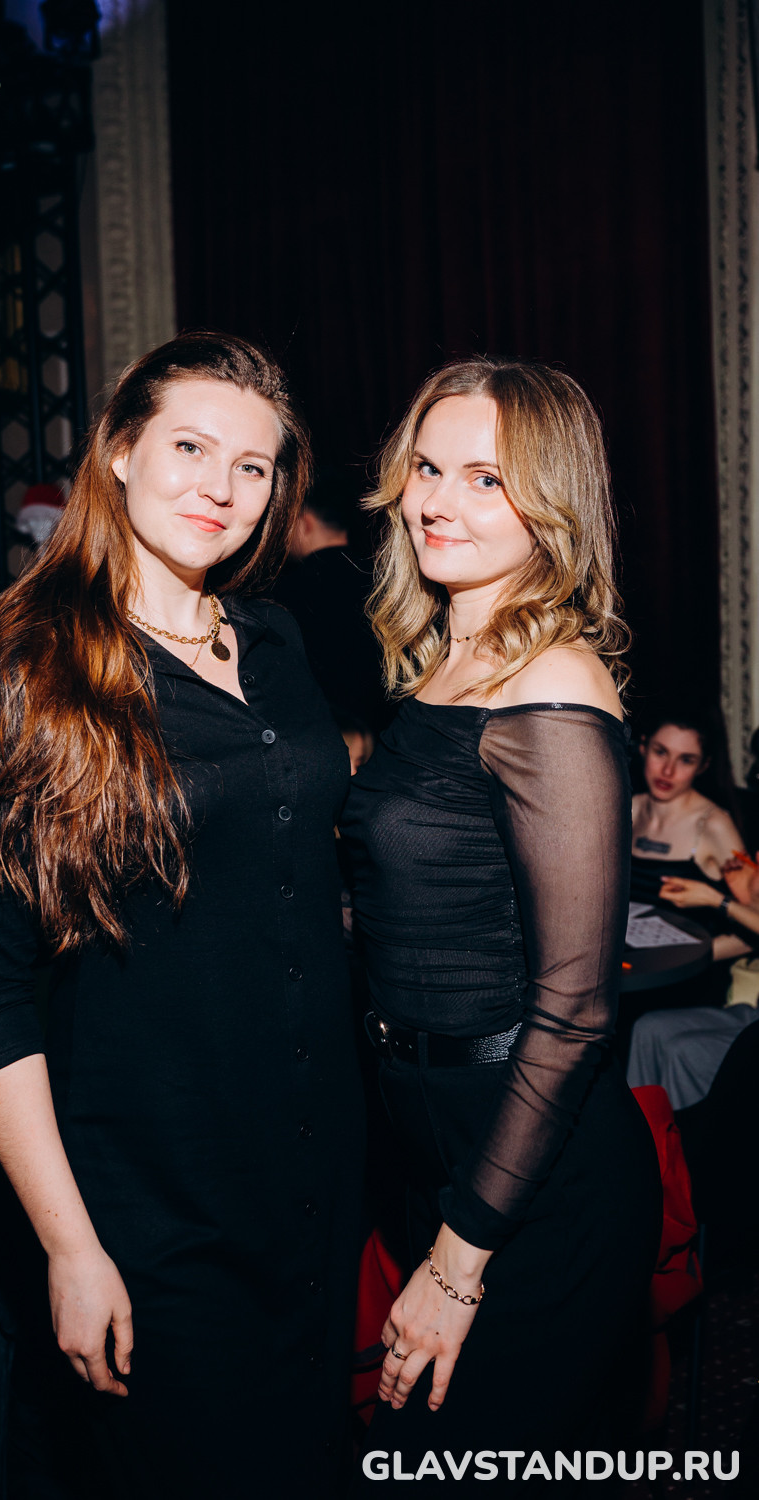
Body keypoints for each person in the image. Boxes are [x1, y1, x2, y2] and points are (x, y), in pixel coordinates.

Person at [0, 332, 364, 1500]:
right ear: (119, 451)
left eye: (253, 466)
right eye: (190, 448)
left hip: (310, 1166)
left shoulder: (271, 638)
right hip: (149, 1194)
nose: (221, 487)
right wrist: (69, 1247)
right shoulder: (30, 669)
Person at [340, 357, 661, 1490]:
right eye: (427, 469)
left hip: (535, 1182)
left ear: (550, 504)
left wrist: (458, 1262)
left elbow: (574, 1011)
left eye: (485, 478)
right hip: (440, 1138)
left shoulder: (553, 687)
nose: (437, 501)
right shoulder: (450, 663)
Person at [627, 854, 759, 1108]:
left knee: (686, 1051)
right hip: (753, 1013)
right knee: (649, 1028)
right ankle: (640, 1127)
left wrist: (717, 900)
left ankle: (686, 1133)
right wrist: (747, 893)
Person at [631, 704, 750, 963]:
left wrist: (681, 961)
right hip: (631, 966)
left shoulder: (714, 824)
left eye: (686, 760)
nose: (668, 771)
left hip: (688, 973)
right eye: (661, 752)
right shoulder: (628, 809)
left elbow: (752, 930)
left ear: (703, 766)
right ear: (643, 746)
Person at [273, 469, 388, 731]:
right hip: (379, 730)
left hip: (316, 730)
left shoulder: (287, 589)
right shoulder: (384, 582)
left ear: (306, 523)